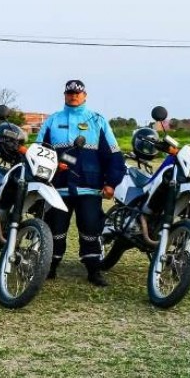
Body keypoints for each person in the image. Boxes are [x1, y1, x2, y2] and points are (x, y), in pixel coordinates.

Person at [37, 80, 125, 286]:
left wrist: (111, 183)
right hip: (57, 188)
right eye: (69, 92)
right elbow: (39, 151)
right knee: (55, 229)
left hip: (90, 188)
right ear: (64, 95)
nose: (73, 96)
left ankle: (94, 270)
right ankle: (49, 267)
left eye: (77, 93)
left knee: (91, 229)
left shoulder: (98, 120)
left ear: (85, 95)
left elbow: (113, 155)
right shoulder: (52, 120)